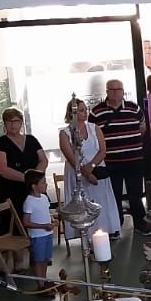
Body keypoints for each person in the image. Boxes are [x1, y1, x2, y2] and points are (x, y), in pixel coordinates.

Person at [91, 80, 150, 233]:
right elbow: (93, 136)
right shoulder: (97, 112)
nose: (116, 92)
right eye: (113, 89)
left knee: (135, 194)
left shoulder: (134, 108)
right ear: (107, 91)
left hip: (134, 160)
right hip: (111, 162)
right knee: (114, 196)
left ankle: (139, 223)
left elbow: (142, 128)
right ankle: (115, 225)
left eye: (119, 89)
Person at [59, 97, 122, 240]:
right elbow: (71, 157)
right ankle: (86, 236)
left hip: (97, 168)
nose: (85, 113)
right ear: (72, 114)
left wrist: (91, 167)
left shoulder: (94, 128)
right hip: (77, 172)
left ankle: (106, 231)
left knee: (101, 201)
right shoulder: (65, 133)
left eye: (85, 109)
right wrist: (86, 173)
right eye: (81, 110)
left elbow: (102, 150)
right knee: (84, 203)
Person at [0, 108, 48, 235]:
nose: (12, 124)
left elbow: (43, 160)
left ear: (21, 123)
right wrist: (27, 178)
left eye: (16, 121)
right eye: (8, 121)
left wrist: (36, 176)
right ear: (4, 124)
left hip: (32, 191)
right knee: (15, 231)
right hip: (11, 192)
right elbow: (2, 169)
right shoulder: (0, 143)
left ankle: (38, 253)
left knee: (37, 226)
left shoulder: (31, 140)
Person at [20, 170, 54, 288]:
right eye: (43, 182)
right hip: (37, 236)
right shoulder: (29, 202)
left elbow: (45, 212)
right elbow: (26, 222)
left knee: (45, 259)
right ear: (34, 186)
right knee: (38, 260)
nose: (46, 184)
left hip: (48, 233)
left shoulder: (44, 198)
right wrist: (43, 226)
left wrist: (52, 220)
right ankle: (40, 284)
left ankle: (44, 280)